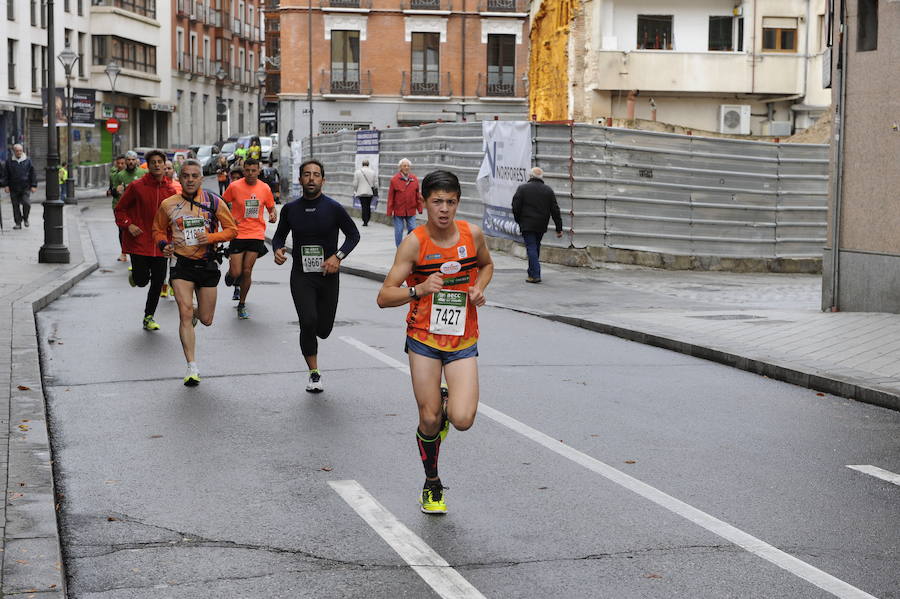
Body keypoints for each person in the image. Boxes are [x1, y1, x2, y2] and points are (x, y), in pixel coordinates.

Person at [376, 170, 494, 514]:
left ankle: (445, 403)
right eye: (437, 202)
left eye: (451, 202)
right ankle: (432, 483)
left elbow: (487, 266)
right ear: (424, 203)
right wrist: (419, 289)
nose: (444, 209)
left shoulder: (472, 235)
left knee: (462, 419)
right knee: (429, 421)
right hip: (424, 339)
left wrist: (478, 288)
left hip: (461, 339)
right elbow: (384, 296)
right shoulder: (414, 242)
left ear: (458, 202)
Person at [272, 159, 360, 393]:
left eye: (316, 174)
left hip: (328, 276)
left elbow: (353, 235)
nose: (311, 178)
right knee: (308, 321)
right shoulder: (291, 209)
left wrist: (337, 257)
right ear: (300, 179)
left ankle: (317, 337)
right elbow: (279, 236)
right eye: (307, 174)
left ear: (323, 180)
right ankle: (314, 373)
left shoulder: (333, 208)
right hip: (301, 276)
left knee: (324, 329)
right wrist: (277, 250)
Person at [153, 159, 237, 386]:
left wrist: (210, 238)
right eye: (186, 176)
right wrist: (164, 245)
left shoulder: (214, 201)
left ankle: (196, 313)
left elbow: (232, 230)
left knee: (206, 319)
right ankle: (192, 366)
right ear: (179, 178)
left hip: (208, 264)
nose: (190, 180)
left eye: (194, 176)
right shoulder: (168, 204)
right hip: (182, 264)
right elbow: (158, 230)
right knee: (185, 313)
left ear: (201, 178)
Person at [113, 149, 178, 331]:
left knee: (158, 282)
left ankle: (148, 316)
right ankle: (135, 275)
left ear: (165, 165)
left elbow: (174, 218)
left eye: (160, 162)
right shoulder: (137, 186)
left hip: (160, 243)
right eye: (153, 162)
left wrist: (172, 241)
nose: (157, 165)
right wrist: (129, 225)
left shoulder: (171, 190)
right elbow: (120, 209)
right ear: (148, 166)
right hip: (139, 241)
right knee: (142, 281)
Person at [222, 158, 277, 318]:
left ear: (259, 171)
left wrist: (273, 214)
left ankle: (242, 304)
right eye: (247, 170)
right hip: (238, 233)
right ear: (243, 170)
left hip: (256, 233)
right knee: (237, 271)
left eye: (254, 170)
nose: (251, 173)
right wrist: (229, 219)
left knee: (247, 271)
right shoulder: (234, 186)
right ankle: (231, 274)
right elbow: (222, 203)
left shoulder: (264, 188)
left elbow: (271, 207)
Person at [511, 166, 563, 284]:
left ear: (530, 176)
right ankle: (531, 272)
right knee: (535, 246)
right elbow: (555, 210)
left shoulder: (522, 189)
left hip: (527, 224)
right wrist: (559, 228)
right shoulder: (548, 190)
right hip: (541, 225)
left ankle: (535, 274)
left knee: (531, 247)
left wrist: (519, 220)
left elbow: (515, 207)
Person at [386, 158, 422, 246]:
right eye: (404, 166)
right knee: (399, 230)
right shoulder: (394, 180)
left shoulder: (414, 179)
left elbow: (418, 195)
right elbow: (391, 196)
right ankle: (399, 248)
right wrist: (389, 211)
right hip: (399, 210)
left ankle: (410, 246)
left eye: (408, 166)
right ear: (400, 167)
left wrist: (419, 208)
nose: (406, 167)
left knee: (413, 228)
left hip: (411, 209)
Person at [4, 144, 38, 229]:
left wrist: (34, 185)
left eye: (20, 150)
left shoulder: (28, 160)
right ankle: (18, 223)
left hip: (25, 186)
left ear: (22, 151)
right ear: (14, 151)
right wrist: (6, 185)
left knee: (27, 203)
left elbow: (33, 173)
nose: (19, 152)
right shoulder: (9, 161)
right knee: (15, 206)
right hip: (13, 187)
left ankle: (25, 218)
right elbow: (6, 175)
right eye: (17, 151)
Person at [108, 155, 128, 261]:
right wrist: (115, 191)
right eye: (118, 163)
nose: (120, 165)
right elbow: (111, 190)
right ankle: (123, 253)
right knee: (122, 229)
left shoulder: (133, 174)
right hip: (117, 205)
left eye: (122, 163)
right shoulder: (114, 175)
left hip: (131, 207)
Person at [353, 159, 377, 226]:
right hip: (370, 192)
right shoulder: (373, 172)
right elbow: (376, 183)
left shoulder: (357, 172)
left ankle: (365, 220)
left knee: (363, 206)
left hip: (361, 192)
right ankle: (368, 218)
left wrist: (356, 190)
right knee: (368, 206)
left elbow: (355, 183)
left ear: (362, 164)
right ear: (368, 164)